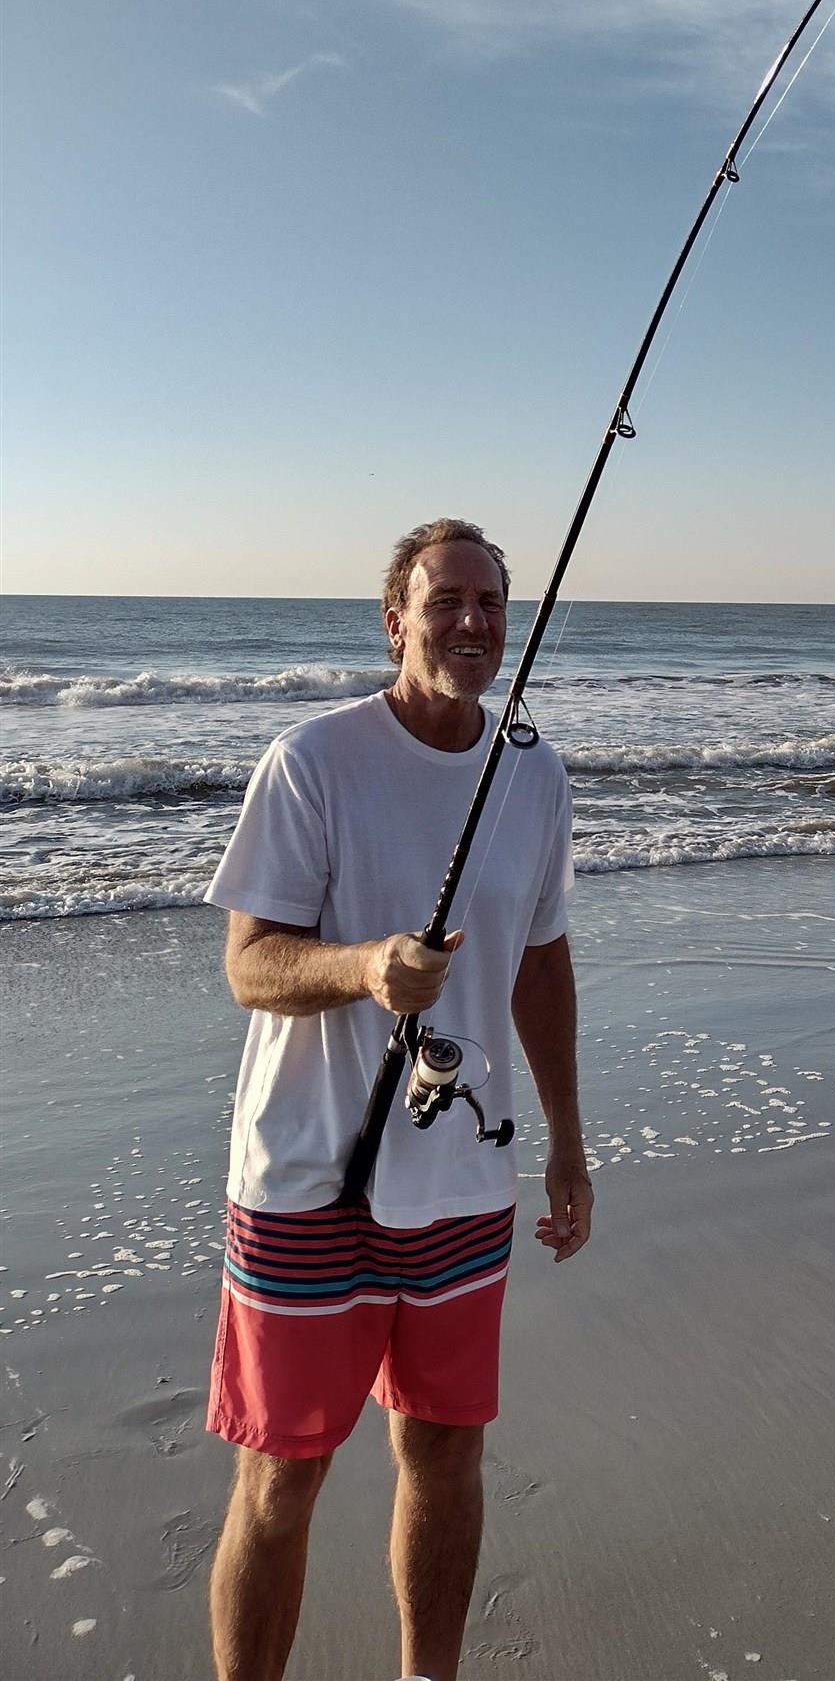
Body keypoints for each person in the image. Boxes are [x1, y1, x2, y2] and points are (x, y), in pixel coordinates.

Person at [203, 519, 591, 1681]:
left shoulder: (537, 772)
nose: (471, 624)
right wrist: (365, 966)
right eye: (446, 602)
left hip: (462, 1179)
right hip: (309, 1180)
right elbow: (249, 963)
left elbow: (539, 962)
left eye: (490, 605)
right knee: (283, 1473)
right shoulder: (313, 761)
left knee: (447, 1452)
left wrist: (568, 1141)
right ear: (395, 621)